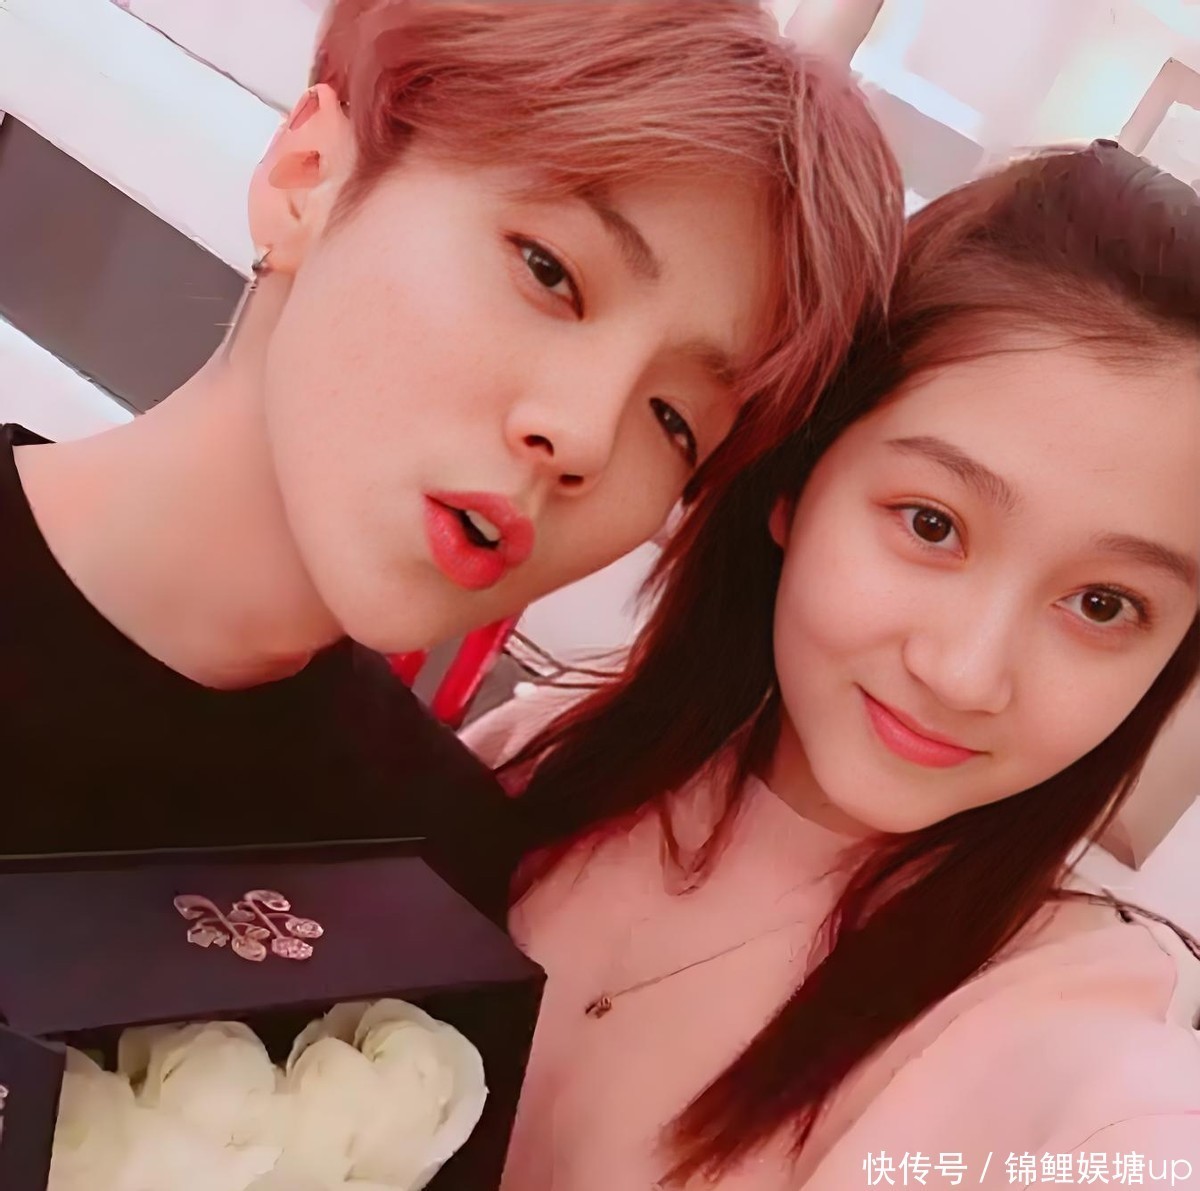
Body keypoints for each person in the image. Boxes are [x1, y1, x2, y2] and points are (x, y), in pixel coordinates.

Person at [0, 0, 901, 909]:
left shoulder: (434, 880)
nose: (584, 436)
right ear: (307, 176)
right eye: (549, 270)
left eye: (675, 420)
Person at [464, 139, 1200, 1187]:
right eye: (932, 523)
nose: (967, 673)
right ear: (795, 481)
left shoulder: (1063, 1019)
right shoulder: (549, 746)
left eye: (1103, 604)